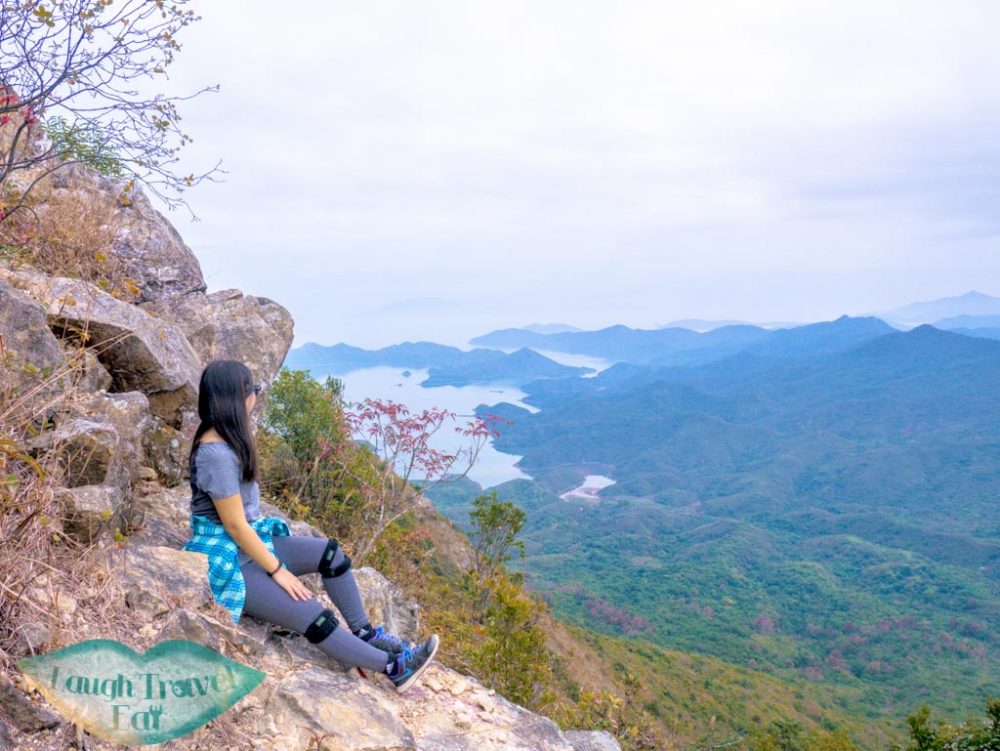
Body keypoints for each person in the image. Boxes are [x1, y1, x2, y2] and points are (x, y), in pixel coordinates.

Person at [181, 359, 438, 693]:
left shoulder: (228, 439)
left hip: (248, 544)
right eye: (253, 390)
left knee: (330, 555)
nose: (256, 397)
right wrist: (277, 571)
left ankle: (365, 634)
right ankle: (394, 668)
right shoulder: (215, 453)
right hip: (228, 559)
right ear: (235, 398)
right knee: (314, 616)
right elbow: (234, 525)